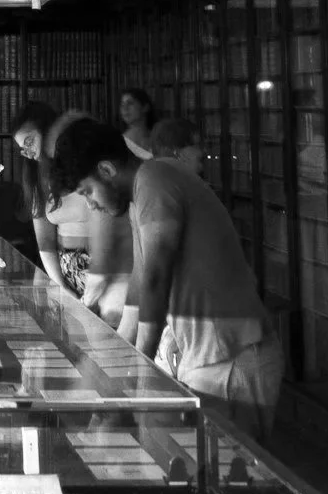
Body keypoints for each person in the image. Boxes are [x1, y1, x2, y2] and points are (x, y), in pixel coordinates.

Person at [126, 115, 284, 438]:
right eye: (199, 149)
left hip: (228, 355)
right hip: (215, 355)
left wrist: (138, 365)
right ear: (179, 152)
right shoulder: (158, 183)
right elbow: (149, 277)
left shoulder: (163, 186)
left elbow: (153, 277)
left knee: (234, 464)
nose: (204, 158)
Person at [51, 117, 138, 329]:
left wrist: (84, 305)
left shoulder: (149, 190)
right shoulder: (133, 195)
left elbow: (151, 283)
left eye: (88, 193)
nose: (90, 205)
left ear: (106, 170)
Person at [12, 99, 91, 292]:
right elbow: (45, 244)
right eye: (23, 148)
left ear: (47, 129)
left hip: (99, 271)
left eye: (29, 141)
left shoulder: (87, 162)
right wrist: (63, 288)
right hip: (65, 278)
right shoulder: (37, 179)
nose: (27, 152)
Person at [118, 86, 157, 160]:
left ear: (145, 107)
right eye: (122, 104)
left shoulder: (158, 139)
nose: (125, 108)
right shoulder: (119, 143)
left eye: (130, 103)